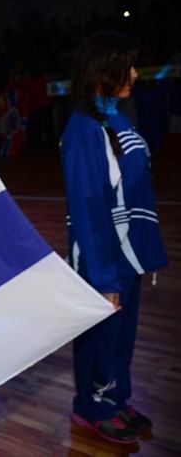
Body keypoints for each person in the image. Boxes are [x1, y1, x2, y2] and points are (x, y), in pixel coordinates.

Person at [62, 32, 167, 444]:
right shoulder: (82, 128)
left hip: (129, 251)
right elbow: (88, 207)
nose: (136, 74)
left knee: (122, 336)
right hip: (101, 255)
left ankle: (116, 398)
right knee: (99, 337)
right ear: (103, 71)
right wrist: (103, 277)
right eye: (128, 66)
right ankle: (90, 405)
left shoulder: (119, 117)